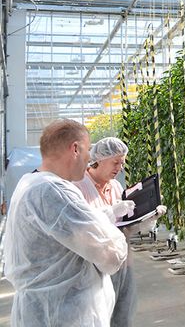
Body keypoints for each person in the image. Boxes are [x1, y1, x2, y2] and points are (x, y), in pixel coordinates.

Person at [4, 119, 128, 327]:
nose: (90, 159)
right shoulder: (54, 191)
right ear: (75, 149)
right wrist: (118, 234)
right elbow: (110, 256)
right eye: (89, 150)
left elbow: (74, 228)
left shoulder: (29, 183)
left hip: (45, 310)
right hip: (66, 313)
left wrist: (107, 215)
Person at [74, 136, 167, 327]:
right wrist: (112, 211)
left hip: (123, 261)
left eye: (122, 163)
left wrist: (148, 217)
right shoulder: (79, 186)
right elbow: (82, 225)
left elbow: (126, 225)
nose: (120, 168)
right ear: (98, 159)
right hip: (94, 266)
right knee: (98, 315)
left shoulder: (116, 187)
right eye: (115, 162)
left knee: (123, 312)